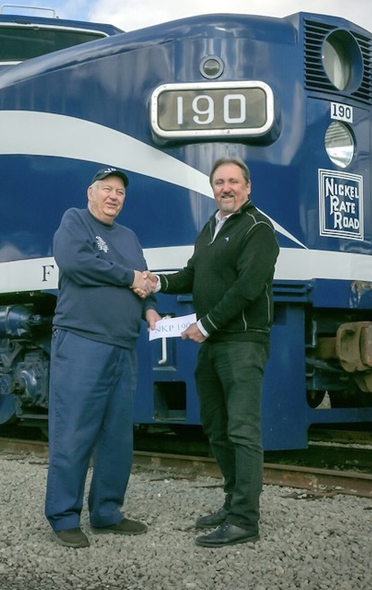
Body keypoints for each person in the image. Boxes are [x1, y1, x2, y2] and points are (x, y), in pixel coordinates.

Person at [148, 157, 278, 547]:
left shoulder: (258, 229)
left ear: (248, 187)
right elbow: (192, 274)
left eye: (234, 182)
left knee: (242, 431)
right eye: (220, 182)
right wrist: (157, 281)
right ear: (212, 188)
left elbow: (247, 288)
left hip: (241, 342)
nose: (227, 188)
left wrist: (203, 326)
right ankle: (231, 501)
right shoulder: (211, 228)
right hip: (213, 344)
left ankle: (244, 520)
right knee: (217, 428)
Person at [45, 166, 160, 548]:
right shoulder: (75, 221)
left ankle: (107, 512)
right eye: (107, 189)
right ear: (91, 193)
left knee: (117, 436)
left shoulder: (128, 237)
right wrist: (130, 278)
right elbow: (76, 263)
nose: (114, 196)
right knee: (73, 430)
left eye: (120, 192)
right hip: (82, 341)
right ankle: (63, 516)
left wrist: (151, 310)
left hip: (123, 345)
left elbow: (143, 280)